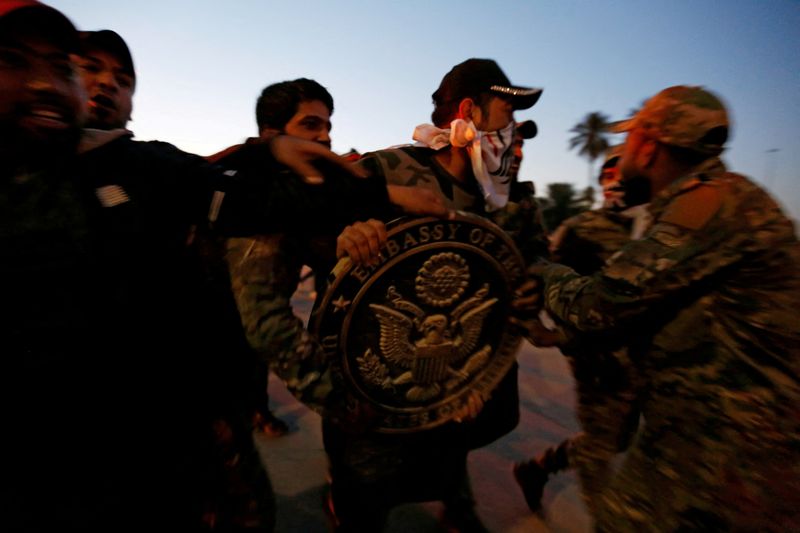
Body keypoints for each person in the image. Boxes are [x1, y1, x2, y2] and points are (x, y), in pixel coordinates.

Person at [0, 3, 441, 530]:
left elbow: (248, 199)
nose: (68, 85)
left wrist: (368, 204)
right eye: (15, 61)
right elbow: (268, 317)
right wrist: (341, 401)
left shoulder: (149, 170)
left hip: (168, 423)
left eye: (65, 68)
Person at [524, 85, 800, 531]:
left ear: (649, 148)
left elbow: (604, 304)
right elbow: (661, 310)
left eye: (631, 137)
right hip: (700, 438)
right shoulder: (712, 202)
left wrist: (544, 273)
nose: (624, 150)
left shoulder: (712, 204)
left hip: (734, 452)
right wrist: (564, 336)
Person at [324, 58, 550, 532]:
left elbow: (531, 272)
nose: (516, 138)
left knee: (447, 463)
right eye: (507, 117)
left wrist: (530, 296)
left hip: (460, 392)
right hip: (376, 399)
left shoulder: (516, 204)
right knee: (366, 500)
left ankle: (456, 503)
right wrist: (343, 238)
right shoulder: (389, 171)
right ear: (469, 112)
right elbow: (312, 228)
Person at [513, 145, 650, 515]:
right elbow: (541, 282)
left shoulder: (657, 231)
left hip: (643, 359)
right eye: (607, 175)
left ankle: (538, 468)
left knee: (619, 440)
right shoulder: (582, 229)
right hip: (598, 360)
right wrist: (556, 336)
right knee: (603, 446)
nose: (614, 182)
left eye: (620, 174)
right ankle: (603, 519)